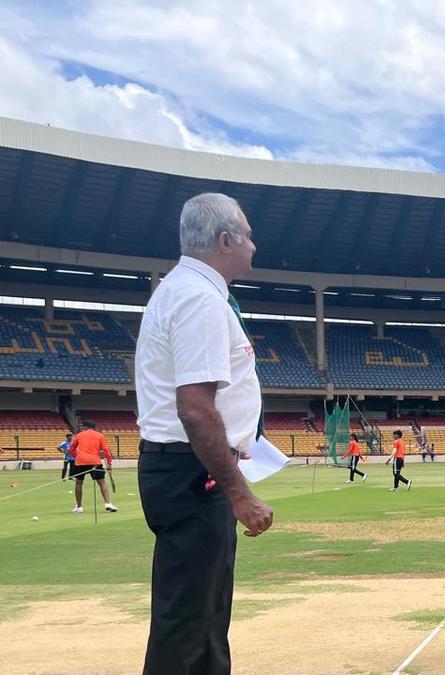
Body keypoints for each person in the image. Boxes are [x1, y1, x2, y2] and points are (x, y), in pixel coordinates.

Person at [135, 192, 273, 675]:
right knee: (188, 625)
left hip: (188, 469)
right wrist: (241, 495)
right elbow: (195, 409)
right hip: (193, 473)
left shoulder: (188, 291)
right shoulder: (198, 299)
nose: (255, 246)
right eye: (248, 236)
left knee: (205, 617)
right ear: (224, 240)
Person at [68, 421, 117, 513]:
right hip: (95, 461)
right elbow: (106, 450)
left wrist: (77, 457)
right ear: (94, 427)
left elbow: (71, 449)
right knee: (102, 482)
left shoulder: (79, 435)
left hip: (81, 461)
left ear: (85, 427)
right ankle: (108, 503)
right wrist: (109, 464)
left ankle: (79, 507)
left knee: (79, 483)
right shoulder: (100, 436)